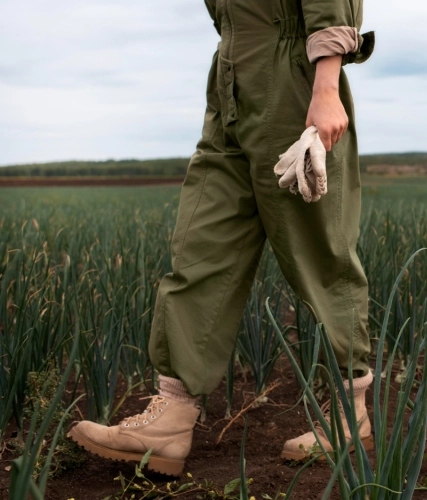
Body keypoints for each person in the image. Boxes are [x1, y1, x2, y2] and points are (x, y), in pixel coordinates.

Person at [68, 0, 375, 474]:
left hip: (294, 80)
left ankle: (350, 411)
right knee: (200, 247)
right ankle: (170, 417)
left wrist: (326, 85)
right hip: (230, 81)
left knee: (320, 255)